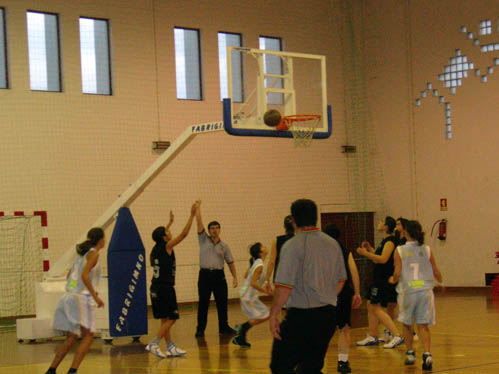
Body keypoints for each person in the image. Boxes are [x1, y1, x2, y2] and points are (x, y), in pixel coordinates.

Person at [269, 199, 347, 374]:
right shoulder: (332, 244)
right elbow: (341, 280)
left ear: (294, 220)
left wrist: (274, 314)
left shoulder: (292, 246)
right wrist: (324, 296)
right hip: (327, 316)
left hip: (301, 317)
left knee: (280, 365)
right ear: (316, 218)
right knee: (311, 367)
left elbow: (283, 286)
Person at [45, 228, 105, 374]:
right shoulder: (94, 254)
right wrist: (94, 295)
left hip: (68, 297)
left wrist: (75, 290)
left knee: (71, 337)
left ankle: (51, 370)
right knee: (89, 336)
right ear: (101, 240)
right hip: (81, 299)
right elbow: (85, 276)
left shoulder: (80, 256)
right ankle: (73, 371)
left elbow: (69, 278)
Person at [145, 201, 199, 359]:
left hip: (155, 287)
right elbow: (183, 235)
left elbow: (165, 232)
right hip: (165, 288)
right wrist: (192, 215)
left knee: (165, 318)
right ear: (164, 237)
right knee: (173, 317)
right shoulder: (167, 246)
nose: (170, 232)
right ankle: (154, 343)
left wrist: (169, 222)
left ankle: (170, 347)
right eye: (167, 231)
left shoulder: (156, 248)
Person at [389, 220, 443, 371]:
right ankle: (427, 354)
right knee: (423, 325)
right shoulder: (426, 249)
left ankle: (410, 353)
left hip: (408, 292)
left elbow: (397, 272)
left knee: (407, 324)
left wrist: (392, 279)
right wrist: (440, 280)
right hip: (425, 291)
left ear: (405, 232)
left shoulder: (399, 250)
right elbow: (435, 270)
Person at [356, 216, 404, 348]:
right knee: (371, 305)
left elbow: (383, 259)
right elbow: (378, 259)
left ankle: (396, 334)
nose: (379, 223)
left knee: (376, 307)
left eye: (381, 222)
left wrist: (365, 253)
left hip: (383, 279)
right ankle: (372, 335)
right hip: (378, 278)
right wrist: (371, 249)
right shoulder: (384, 241)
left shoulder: (390, 242)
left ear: (386, 227)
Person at [323, 223, 362, 374]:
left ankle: (315, 360)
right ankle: (342, 362)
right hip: (344, 293)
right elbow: (354, 272)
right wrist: (357, 292)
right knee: (344, 328)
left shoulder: (321, 251)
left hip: (326, 294)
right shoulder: (345, 251)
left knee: (323, 329)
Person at [195, 203, 238, 338]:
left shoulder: (224, 246)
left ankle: (223, 327)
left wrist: (235, 277)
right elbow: (199, 223)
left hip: (219, 276)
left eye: (216, 228)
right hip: (205, 275)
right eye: (212, 228)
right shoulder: (203, 240)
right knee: (203, 303)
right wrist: (197, 209)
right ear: (208, 230)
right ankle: (200, 329)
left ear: (220, 230)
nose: (214, 230)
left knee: (222, 302)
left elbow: (230, 262)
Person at [232, 242, 273, 348]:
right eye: (263, 246)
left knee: (264, 314)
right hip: (248, 296)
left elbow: (246, 276)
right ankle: (242, 329)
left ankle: (241, 332)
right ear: (260, 251)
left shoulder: (257, 262)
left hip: (247, 294)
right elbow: (253, 283)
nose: (265, 247)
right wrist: (266, 291)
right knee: (266, 314)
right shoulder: (259, 264)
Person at [264, 215, 295, 293]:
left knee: (281, 303)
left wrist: (267, 279)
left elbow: (271, 262)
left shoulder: (277, 241)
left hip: (280, 278)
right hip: (296, 278)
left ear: (284, 226)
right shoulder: (300, 241)